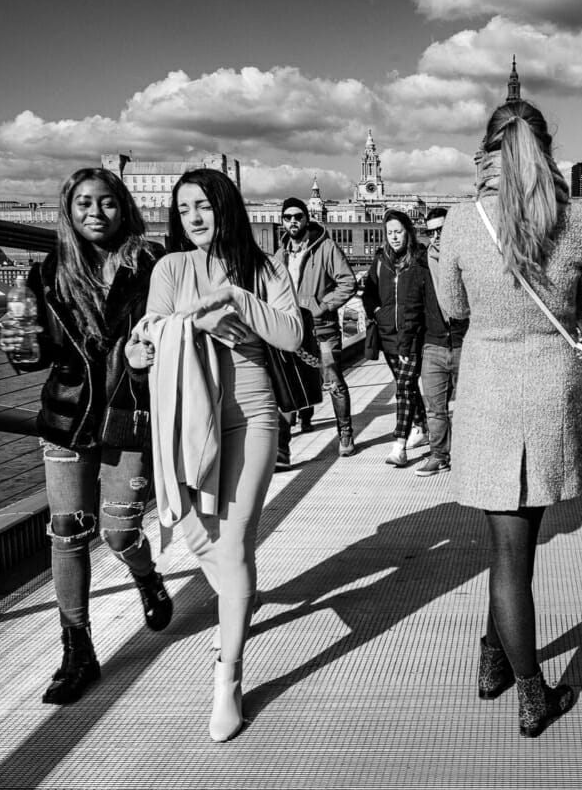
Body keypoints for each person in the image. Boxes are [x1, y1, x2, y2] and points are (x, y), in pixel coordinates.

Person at [437, 99, 582, 737]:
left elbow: (453, 306)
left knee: (509, 552)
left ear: (487, 149)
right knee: (516, 552)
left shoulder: (460, 221)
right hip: (547, 391)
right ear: (546, 147)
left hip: (488, 391)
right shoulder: (577, 220)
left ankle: (495, 663)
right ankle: (529, 687)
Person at [138, 168, 302, 742]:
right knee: (196, 533)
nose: (194, 218)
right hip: (189, 416)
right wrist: (148, 344)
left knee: (232, 542)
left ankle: (227, 676)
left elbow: (292, 334)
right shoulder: (170, 268)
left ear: (225, 206)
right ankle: (239, 603)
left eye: (203, 205)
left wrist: (236, 299)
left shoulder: (264, 267)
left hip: (253, 414)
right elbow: (153, 332)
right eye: (184, 210)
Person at [0, 167, 172, 705]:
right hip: (68, 417)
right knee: (67, 532)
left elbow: (173, 331)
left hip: (127, 416)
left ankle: (146, 575)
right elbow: (37, 353)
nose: (95, 212)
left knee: (119, 534)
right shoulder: (47, 273)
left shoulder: (152, 264)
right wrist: (18, 345)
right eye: (83, 204)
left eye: (106, 202)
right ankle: (77, 651)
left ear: (124, 207)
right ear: (68, 214)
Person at [272, 197, 357, 465]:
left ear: (307, 218)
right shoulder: (279, 255)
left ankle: (345, 434)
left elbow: (348, 282)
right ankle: (282, 450)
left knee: (333, 382)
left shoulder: (326, 248)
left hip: (322, 329)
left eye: (298, 216)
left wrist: (321, 306)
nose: (293, 221)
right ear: (282, 221)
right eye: (288, 217)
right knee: (286, 387)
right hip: (291, 331)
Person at [398, 207, 469, 477]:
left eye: (443, 230)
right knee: (435, 408)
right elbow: (412, 308)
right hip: (433, 346)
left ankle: (465, 455)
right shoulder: (421, 265)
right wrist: (406, 344)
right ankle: (439, 455)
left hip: (465, 344)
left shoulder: (468, 261)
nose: (437, 236)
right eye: (432, 232)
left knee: (467, 407)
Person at [362, 209, 428, 466]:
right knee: (408, 386)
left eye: (398, 232)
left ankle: (399, 445)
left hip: (413, 335)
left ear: (408, 232)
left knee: (402, 388)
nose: (394, 237)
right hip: (388, 335)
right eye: (389, 233)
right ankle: (421, 427)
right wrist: (377, 313)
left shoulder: (420, 260)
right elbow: (368, 293)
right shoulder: (380, 260)